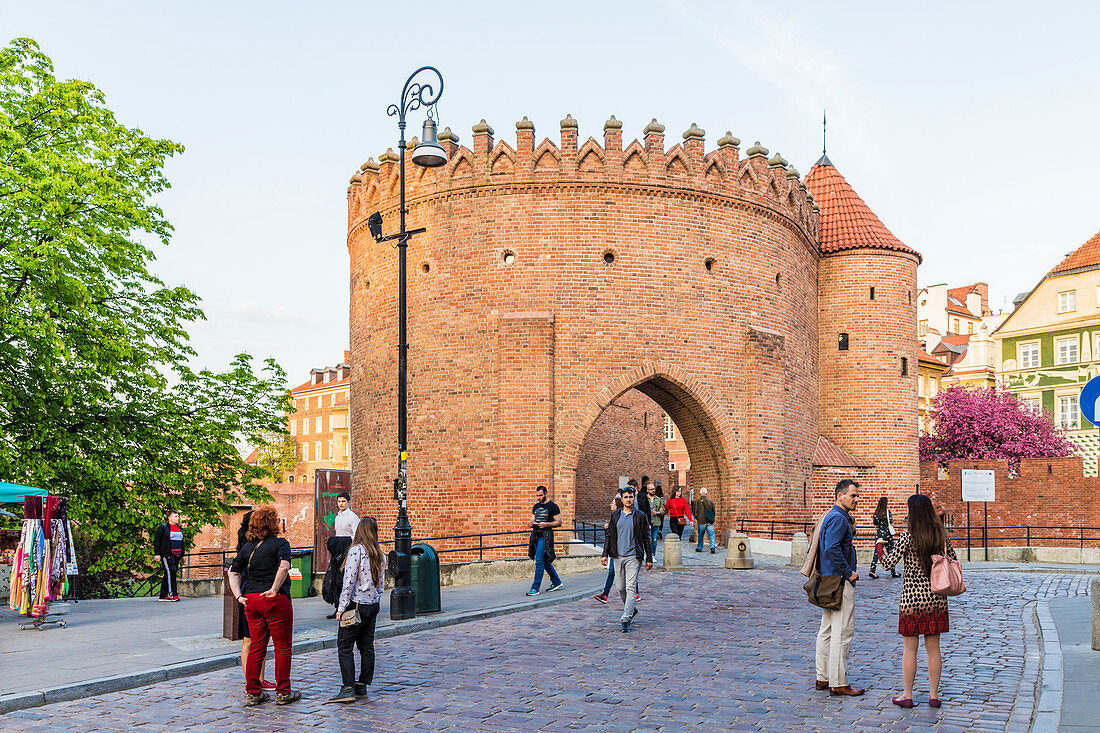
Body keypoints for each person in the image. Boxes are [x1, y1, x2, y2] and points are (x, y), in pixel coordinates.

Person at [882, 494, 958, 709]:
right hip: (936, 598)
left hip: (912, 600)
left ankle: (907, 695)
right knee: (933, 647)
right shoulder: (940, 536)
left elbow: (888, 564)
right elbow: (953, 559)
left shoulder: (907, 536)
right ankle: (934, 695)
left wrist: (880, 549)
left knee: (910, 649)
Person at [227, 506, 302, 707]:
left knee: (257, 648)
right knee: (282, 647)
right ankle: (283, 691)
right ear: (273, 524)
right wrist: (275, 588)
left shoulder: (248, 547)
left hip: (251, 599)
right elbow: (284, 566)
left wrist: (238, 596)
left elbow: (232, 572)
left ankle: (253, 692)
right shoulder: (280, 543)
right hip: (274, 599)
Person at [327, 516, 387, 704]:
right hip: (372, 605)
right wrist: (376, 599)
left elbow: (349, 583)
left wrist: (341, 607)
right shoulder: (380, 554)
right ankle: (362, 685)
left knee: (344, 646)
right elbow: (381, 585)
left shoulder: (356, 552)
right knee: (366, 646)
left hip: (356, 605)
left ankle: (348, 688)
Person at [815, 479, 864, 697]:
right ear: (840, 496)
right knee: (842, 632)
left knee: (826, 630)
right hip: (839, 582)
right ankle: (838, 681)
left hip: (829, 579)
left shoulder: (832, 516)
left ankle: (823, 677)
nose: (856, 499)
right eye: (852, 495)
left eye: (857, 495)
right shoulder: (838, 519)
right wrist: (848, 572)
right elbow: (832, 548)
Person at [601, 486, 653, 632]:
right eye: (626, 497)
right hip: (617, 555)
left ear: (633, 498)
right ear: (621, 499)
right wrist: (605, 554)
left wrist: (649, 557)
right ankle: (631, 609)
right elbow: (609, 535)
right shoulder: (615, 515)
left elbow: (646, 538)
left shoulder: (641, 516)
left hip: (633, 556)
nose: (628, 499)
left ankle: (626, 618)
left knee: (630, 586)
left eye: (631, 497)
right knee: (620, 588)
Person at [235, 511, 273, 691]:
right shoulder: (248, 546)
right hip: (249, 592)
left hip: (250, 592)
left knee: (258, 640)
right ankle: (252, 679)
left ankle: (259, 678)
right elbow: (234, 571)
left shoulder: (258, 544)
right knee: (249, 639)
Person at [325, 492, 360, 619]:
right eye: (339, 501)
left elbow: (356, 535)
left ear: (348, 502)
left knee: (343, 579)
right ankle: (337, 607)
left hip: (348, 551)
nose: (341, 504)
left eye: (343, 501)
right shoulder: (338, 517)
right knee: (335, 580)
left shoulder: (352, 517)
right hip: (338, 551)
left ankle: (346, 607)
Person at [527, 485, 563, 595]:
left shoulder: (553, 506)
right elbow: (533, 519)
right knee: (544, 561)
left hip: (545, 536)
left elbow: (559, 522)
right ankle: (556, 581)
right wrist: (530, 523)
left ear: (546, 494)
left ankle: (535, 588)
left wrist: (547, 524)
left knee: (539, 562)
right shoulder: (536, 506)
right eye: (537, 495)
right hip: (536, 536)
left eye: (540, 495)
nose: (538, 497)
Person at [593, 496, 624, 604]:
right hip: (614, 550)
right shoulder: (613, 517)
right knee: (612, 572)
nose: (610, 505)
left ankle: (635, 593)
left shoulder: (620, 518)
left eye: (612, 503)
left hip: (621, 550)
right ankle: (605, 594)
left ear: (617, 506)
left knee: (626, 573)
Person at [153, 510, 184, 602]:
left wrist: (183, 555)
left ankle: (162, 595)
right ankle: (173, 594)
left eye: (178, 516)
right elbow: (157, 541)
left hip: (177, 555)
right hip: (166, 554)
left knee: (169, 574)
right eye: (175, 516)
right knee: (172, 571)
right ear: (169, 518)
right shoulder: (163, 527)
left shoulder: (179, 528)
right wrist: (157, 554)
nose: (177, 518)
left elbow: (182, 542)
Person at [869, 496, 899, 579]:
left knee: (876, 553)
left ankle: (872, 571)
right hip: (887, 534)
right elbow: (891, 522)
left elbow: (875, 523)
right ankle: (893, 572)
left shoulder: (876, 513)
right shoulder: (887, 512)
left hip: (879, 534)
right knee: (891, 553)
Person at [691, 487, 717, 553]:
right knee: (711, 534)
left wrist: (697, 517)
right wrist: (711, 517)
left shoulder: (697, 501)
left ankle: (699, 547)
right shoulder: (710, 502)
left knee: (701, 535)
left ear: (700, 493)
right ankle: (712, 547)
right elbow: (713, 511)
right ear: (706, 493)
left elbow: (695, 511)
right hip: (709, 521)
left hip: (701, 520)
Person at [646, 484, 663, 550]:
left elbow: (663, 510)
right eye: (651, 489)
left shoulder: (658, 499)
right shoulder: (645, 499)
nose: (653, 491)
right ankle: (648, 555)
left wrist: (657, 512)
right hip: (647, 522)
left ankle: (653, 554)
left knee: (654, 539)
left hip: (656, 522)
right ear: (647, 490)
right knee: (647, 540)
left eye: (654, 489)